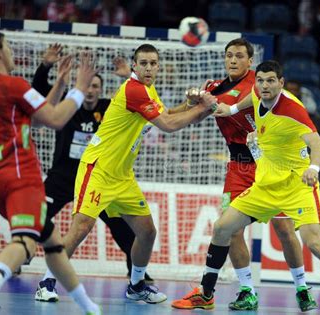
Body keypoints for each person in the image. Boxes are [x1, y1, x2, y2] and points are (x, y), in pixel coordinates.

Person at [172, 60, 320, 315]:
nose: (264, 86)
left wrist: (314, 170)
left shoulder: (292, 111)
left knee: (314, 243)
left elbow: (319, 146)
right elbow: (251, 99)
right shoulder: (257, 92)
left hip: (296, 187)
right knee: (222, 228)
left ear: (281, 83)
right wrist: (232, 108)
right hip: (264, 186)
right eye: (261, 80)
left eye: (270, 81)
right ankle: (206, 294)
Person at [56, 43, 217, 304]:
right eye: (144, 63)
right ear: (134, 65)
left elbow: (166, 114)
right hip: (98, 168)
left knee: (147, 231)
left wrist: (193, 105)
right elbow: (167, 125)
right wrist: (202, 108)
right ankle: (47, 282)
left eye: (154, 63)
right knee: (81, 227)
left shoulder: (147, 89)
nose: (149, 68)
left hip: (122, 175)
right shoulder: (134, 89)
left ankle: (136, 285)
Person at [169, 38, 317, 311]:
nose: (233, 60)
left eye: (239, 56)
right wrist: (183, 104)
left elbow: (222, 104)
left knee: (284, 229)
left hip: (271, 168)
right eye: (229, 56)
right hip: (238, 167)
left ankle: (302, 288)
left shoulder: (257, 84)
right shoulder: (213, 88)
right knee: (230, 229)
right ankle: (247, 291)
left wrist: (203, 101)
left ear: (250, 61)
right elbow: (193, 111)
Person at [0, 31, 101, 314]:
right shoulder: (12, 85)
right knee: (26, 242)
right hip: (20, 178)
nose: (12, 53)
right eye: (9, 47)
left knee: (54, 244)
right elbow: (56, 119)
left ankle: (90, 308)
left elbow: (34, 118)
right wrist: (80, 89)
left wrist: (60, 83)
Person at [30, 44, 152, 303]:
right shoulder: (68, 105)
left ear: (100, 89)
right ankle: (23, 257)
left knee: (127, 230)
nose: (92, 90)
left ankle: (137, 279)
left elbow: (132, 101)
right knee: (37, 219)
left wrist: (126, 76)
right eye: (89, 86)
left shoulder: (109, 107)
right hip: (64, 176)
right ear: (82, 87)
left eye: (97, 86)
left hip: (102, 177)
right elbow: (40, 95)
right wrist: (46, 66)